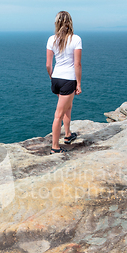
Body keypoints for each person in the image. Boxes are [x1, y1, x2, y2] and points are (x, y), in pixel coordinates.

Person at [46, 11, 82, 154]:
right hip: (68, 79)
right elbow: (77, 64)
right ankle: (55, 147)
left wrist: (52, 77)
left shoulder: (51, 39)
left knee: (68, 106)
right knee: (58, 114)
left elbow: (48, 65)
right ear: (70, 22)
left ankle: (67, 135)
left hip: (56, 78)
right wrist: (78, 84)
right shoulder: (76, 39)